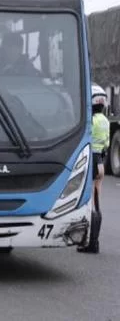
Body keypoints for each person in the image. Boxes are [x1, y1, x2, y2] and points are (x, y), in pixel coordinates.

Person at [80, 85, 110, 254]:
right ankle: (95, 242)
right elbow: (106, 143)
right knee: (97, 203)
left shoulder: (90, 120)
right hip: (101, 163)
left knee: (88, 203)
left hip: (91, 160)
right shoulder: (105, 120)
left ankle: (90, 243)